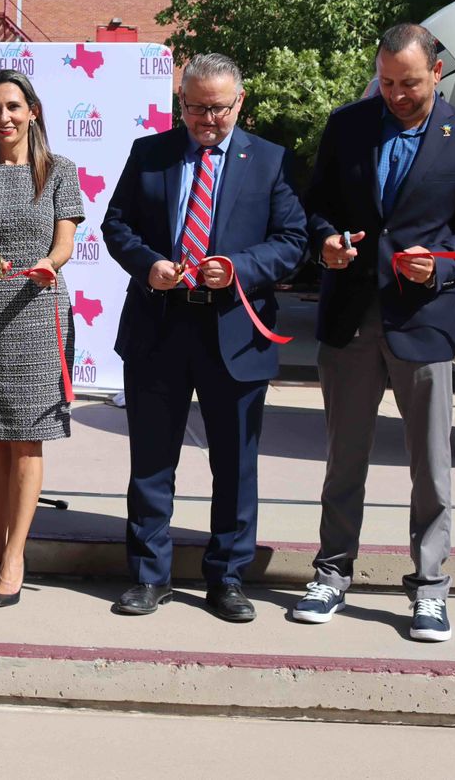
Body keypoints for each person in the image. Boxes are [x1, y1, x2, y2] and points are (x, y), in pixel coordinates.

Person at [291, 22, 455, 642]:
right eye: (386, 83)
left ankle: (430, 589)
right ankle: (331, 574)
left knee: (430, 467)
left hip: (423, 320)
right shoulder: (347, 125)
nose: (397, 95)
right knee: (343, 460)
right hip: (350, 318)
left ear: (437, 73)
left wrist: (443, 262)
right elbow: (313, 207)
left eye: (409, 83)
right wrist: (325, 242)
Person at [102, 53, 306, 621]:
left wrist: (240, 267)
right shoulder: (150, 153)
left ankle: (228, 578)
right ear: (181, 102)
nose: (206, 120)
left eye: (217, 109)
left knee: (235, 466)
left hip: (235, 333)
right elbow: (116, 224)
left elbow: (293, 240)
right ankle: (149, 575)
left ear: (239, 102)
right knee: (151, 462)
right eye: (194, 108)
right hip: (159, 327)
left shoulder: (269, 160)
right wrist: (148, 265)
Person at [0, 69, 84, 608]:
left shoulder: (60, 171)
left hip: (38, 309)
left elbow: (65, 243)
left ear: (32, 111)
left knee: (28, 437)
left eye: (12, 106)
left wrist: (48, 264)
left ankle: (14, 556)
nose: (3, 117)